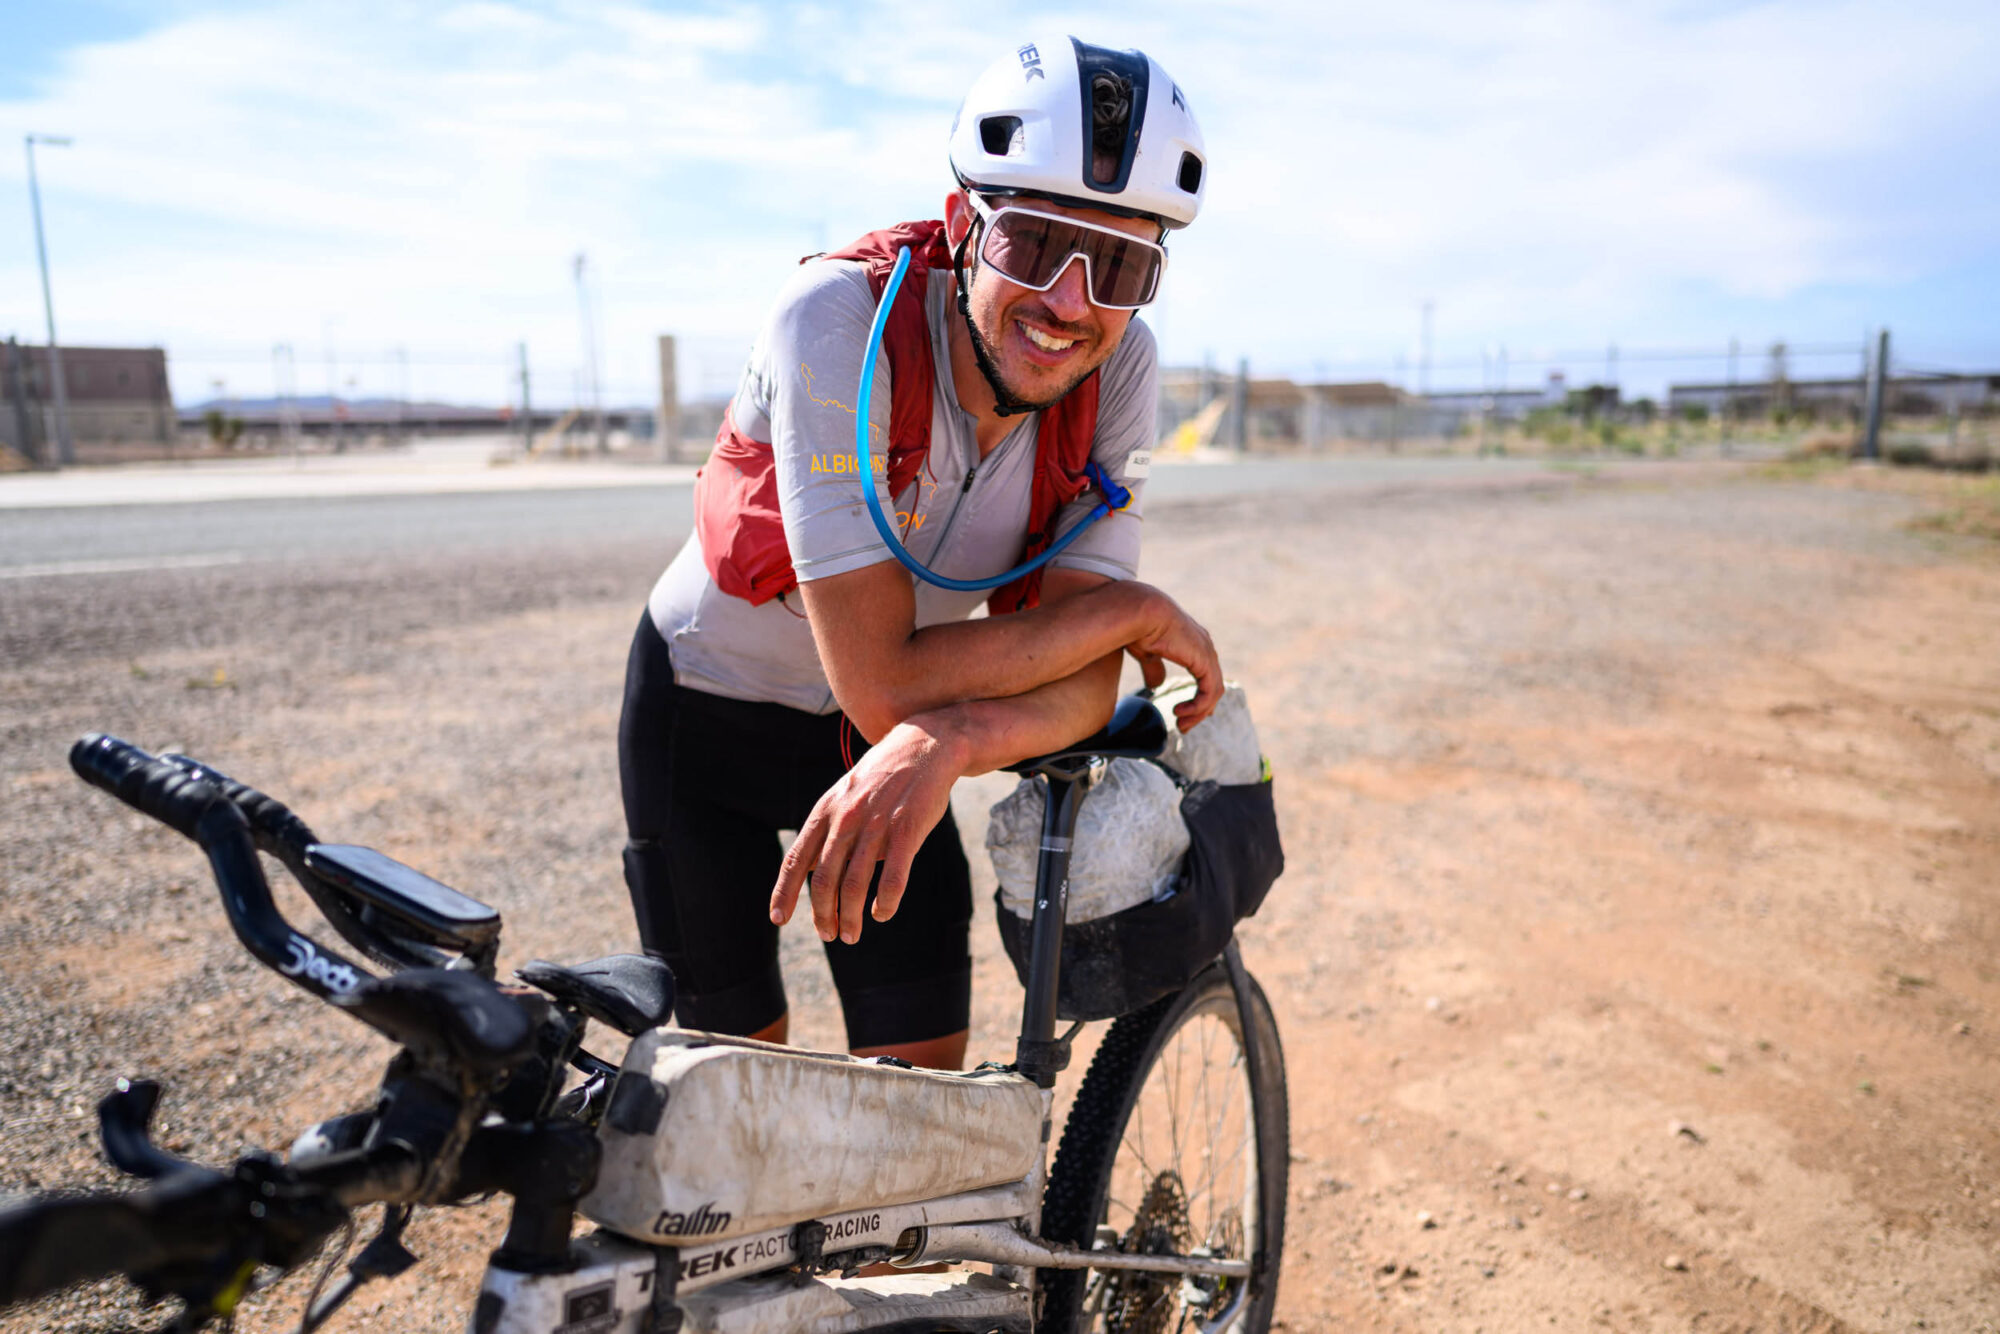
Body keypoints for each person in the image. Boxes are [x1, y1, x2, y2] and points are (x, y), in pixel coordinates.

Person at [619, 34, 1220, 1071]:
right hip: (703, 718)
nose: (1071, 303)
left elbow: (1076, 688)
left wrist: (948, 741)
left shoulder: (1122, 367)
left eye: (1119, 264)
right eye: (1035, 245)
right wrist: (1129, 614)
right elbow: (883, 674)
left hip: (895, 738)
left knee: (908, 1111)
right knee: (729, 1096)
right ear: (961, 227)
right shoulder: (835, 318)